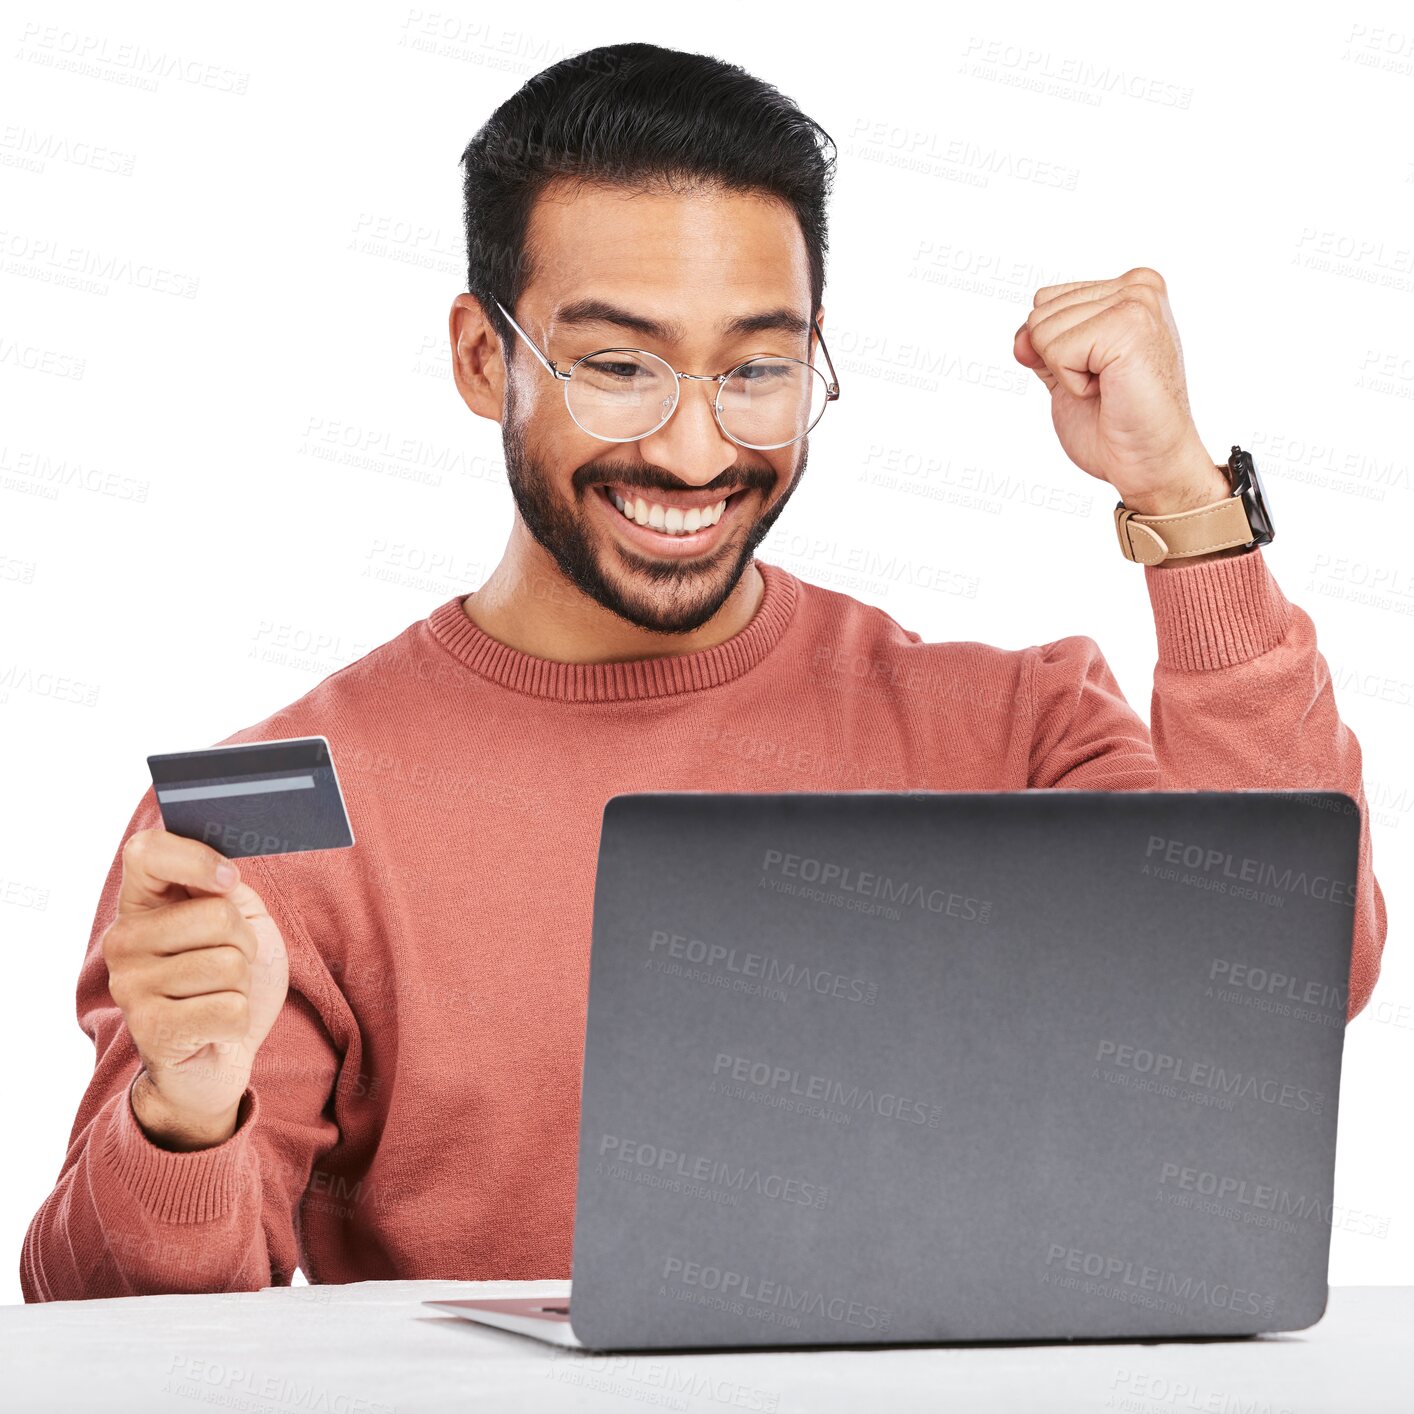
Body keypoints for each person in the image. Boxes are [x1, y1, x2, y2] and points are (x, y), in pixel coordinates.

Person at [22, 41, 1386, 1301]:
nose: (692, 449)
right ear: (483, 353)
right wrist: (185, 1112)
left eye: (758, 368)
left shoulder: (1012, 724)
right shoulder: (279, 809)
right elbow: (115, 1338)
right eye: (616, 365)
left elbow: (1285, 977)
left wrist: (1180, 499)